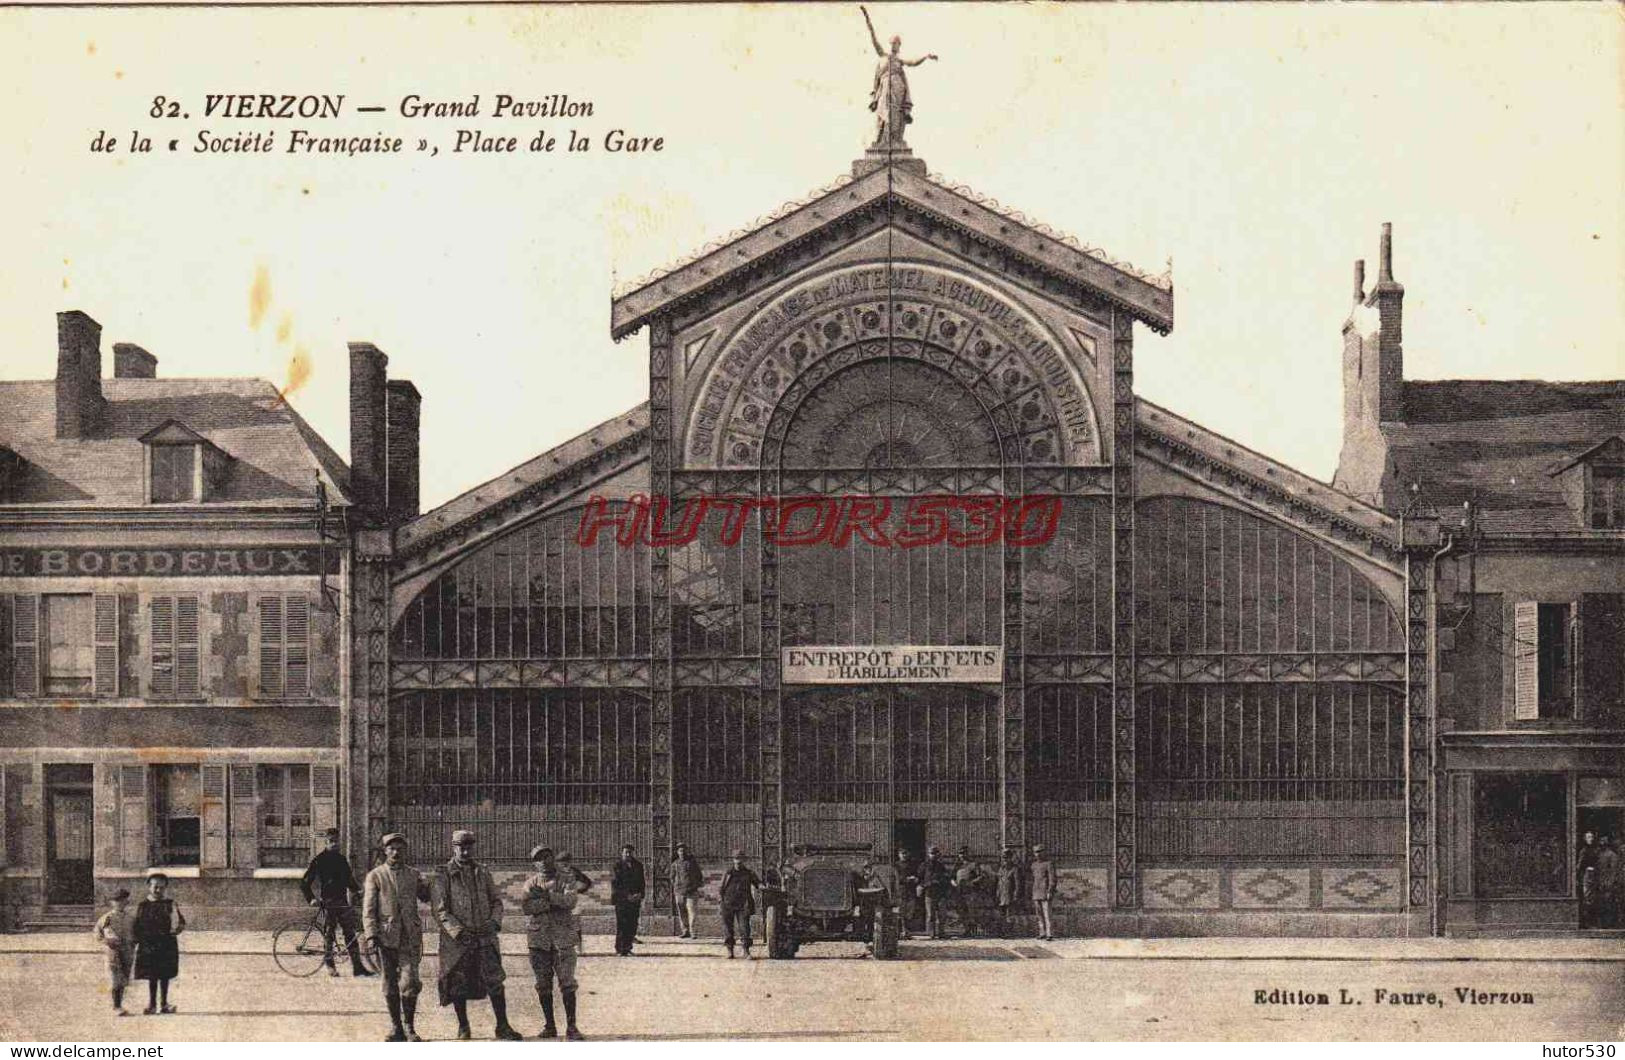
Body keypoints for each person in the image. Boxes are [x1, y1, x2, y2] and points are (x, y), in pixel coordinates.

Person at [431, 829, 522, 1041]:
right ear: (453, 847)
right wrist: (458, 932)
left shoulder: (483, 871)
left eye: (469, 846)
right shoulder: (443, 874)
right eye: (461, 847)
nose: (465, 851)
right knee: (457, 983)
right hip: (458, 941)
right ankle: (463, 1027)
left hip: (484, 937)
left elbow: (496, 901)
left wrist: (493, 922)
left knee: (495, 980)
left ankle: (503, 1026)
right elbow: (440, 909)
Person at [363, 832, 429, 1042]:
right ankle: (396, 1027)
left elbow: (426, 897)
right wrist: (371, 935)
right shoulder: (375, 875)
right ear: (385, 851)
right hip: (386, 937)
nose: (396, 852)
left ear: (405, 851)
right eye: (391, 848)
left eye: (400, 848)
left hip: (409, 936)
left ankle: (410, 1027)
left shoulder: (413, 874)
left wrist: (431, 884)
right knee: (389, 982)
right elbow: (369, 909)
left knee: (410, 981)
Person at [520, 846, 585, 1041]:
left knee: (567, 983)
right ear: (534, 863)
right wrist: (551, 903)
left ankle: (572, 1027)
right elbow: (526, 906)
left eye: (546, 857)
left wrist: (546, 896)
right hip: (539, 941)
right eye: (538, 859)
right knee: (543, 984)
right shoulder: (530, 883)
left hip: (562, 939)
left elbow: (570, 901)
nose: (543, 861)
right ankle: (549, 1025)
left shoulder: (567, 878)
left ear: (552, 858)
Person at [860, 5, 938, 150]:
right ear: (889, 44)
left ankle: (895, 141)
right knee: (883, 113)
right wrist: (867, 20)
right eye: (892, 43)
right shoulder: (883, 56)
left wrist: (926, 56)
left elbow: (913, 62)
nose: (894, 46)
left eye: (896, 44)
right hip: (885, 88)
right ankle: (881, 141)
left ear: (899, 46)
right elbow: (873, 39)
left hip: (898, 88)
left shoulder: (899, 60)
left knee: (896, 115)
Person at [301, 826, 373, 978]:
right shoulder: (319, 860)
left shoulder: (341, 859)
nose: (334, 844)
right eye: (331, 841)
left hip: (342, 901)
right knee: (329, 934)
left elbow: (348, 879)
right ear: (326, 842)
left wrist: (358, 891)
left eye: (336, 842)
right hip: (327, 902)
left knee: (350, 933)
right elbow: (305, 882)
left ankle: (358, 967)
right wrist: (312, 898)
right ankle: (330, 966)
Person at [132, 872, 185, 1015]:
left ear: (165, 888)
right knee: (152, 976)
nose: (158, 890)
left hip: (166, 945)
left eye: (161, 887)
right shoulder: (143, 905)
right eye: (155, 887)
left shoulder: (170, 904)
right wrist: (136, 940)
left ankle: (164, 1003)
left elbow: (180, 922)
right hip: (149, 945)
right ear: (149, 887)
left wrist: (178, 928)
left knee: (165, 975)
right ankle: (152, 1004)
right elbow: (137, 924)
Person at [93, 888, 135, 1016]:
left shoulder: (131, 918)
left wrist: (134, 941)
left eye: (123, 900)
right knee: (115, 979)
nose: (120, 903)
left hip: (127, 951)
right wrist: (106, 941)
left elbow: (136, 932)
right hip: (113, 953)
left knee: (123, 979)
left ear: (127, 902)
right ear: (112, 902)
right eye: (117, 901)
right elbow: (97, 934)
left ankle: (120, 1004)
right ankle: (116, 1006)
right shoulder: (107, 918)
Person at [718, 849, 760, 959]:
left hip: (743, 904)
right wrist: (721, 903)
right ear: (733, 860)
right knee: (728, 928)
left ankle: (746, 951)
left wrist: (762, 886)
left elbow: (758, 883)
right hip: (728, 904)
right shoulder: (728, 873)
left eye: (740, 859)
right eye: (736, 859)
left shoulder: (748, 873)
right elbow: (721, 888)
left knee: (744, 928)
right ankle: (730, 950)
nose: (738, 861)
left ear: (744, 860)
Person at [610, 844, 645, 957]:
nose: (628, 854)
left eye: (630, 852)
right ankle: (620, 949)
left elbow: (642, 882)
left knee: (632, 924)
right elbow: (616, 883)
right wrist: (626, 895)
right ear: (622, 853)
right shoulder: (617, 865)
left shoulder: (638, 865)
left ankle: (628, 947)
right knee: (622, 924)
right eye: (626, 852)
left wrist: (640, 894)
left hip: (635, 900)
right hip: (622, 900)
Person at [556, 852, 591, 955]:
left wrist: (579, 890)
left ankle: (578, 948)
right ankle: (561, 947)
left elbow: (587, 882)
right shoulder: (556, 873)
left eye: (566, 862)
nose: (564, 864)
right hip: (561, 901)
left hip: (573, 902)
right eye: (562, 862)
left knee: (575, 925)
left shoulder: (575, 872)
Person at [671, 842, 704, 939]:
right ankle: (685, 931)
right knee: (682, 912)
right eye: (680, 851)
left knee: (692, 912)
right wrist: (676, 887)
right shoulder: (675, 864)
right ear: (677, 852)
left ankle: (693, 931)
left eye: (684, 850)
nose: (682, 852)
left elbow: (699, 876)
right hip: (679, 892)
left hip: (691, 892)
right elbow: (672, 877)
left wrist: (695, 886)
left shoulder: (692, 863)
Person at [918, 845, 950, 939]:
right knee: (930, 915)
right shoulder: (924, 865)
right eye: (932, 853)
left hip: (941, 893)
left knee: (942, 915)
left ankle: (941, 932)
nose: (934, 855)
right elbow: (919, 878)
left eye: (935, 853)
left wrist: (941, 883)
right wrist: (927, 884)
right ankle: (931, 933)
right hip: (929, 893)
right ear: (928, 854)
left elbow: (946, 877)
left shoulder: (941, 866)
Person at [1030, 844, 1058, 941]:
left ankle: (1049, 934)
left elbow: (1052, 879)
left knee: (1047, 914)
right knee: (1039, 914)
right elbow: (1033, 879)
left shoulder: (1049, 864)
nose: (1037, 854)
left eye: (1039, 851)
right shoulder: (1033, 865)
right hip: (1036, 892)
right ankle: (1042, 932)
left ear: (1044, 852)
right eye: (1036, 852)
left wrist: (1050, 890)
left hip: (1045, 892)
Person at [1577, 830, 1602, 928]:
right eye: (1588, 837)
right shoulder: (1584, 850)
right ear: (1584, 839)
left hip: (1594, 875)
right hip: (1587, 875)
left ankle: (1592, 922)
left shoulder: (1594, 850)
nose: (1590, 839)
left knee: (1593, 898)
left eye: (1591, 837)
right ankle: (1587, 923)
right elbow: (1579, 865)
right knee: (1588, 898)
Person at [994, 848, 1021, 937]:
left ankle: (1008, 932)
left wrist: (1016, 895)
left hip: (1009, 894)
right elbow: (998, 882)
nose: (1005, 860)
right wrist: (997, 894)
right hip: (1001, 895)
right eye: (1003, 858)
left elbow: (1017, 883)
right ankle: (1002, 932)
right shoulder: (1001, 869)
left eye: (1006, 858)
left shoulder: (1014, 869)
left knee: (1009, 915)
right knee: (1001, 915)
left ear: (1010, 858)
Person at [1597, 833, 1621, 930]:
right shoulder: (1599, 854)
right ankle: (1603, 923)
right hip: (1600, 882)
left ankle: (1609, 923)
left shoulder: (1612, 855)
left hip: (1608, 884)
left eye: (1604, 841)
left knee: (1609, 903)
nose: (1602, 843)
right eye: (1601, 841)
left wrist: (1610, 882)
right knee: (1602, 903)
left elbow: (1614, 871)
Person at [894, 849, 921, 938]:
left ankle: (907, 932)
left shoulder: (912, 865)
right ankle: (899, 932)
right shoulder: (896, 865)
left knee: (910, 913)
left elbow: (917, 874)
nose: (904, 855)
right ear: (899, 855)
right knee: (900, 912)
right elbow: (895, 878)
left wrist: (916, 879)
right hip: (901, 891)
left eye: (906, 853)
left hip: (911, 891)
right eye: (902, 853)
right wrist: (906, 879)